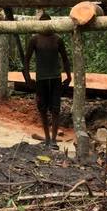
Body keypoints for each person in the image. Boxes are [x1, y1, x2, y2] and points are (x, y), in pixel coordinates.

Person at [23, 14, 71, 150]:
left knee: (55, 109)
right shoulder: (35, 40)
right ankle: (47, 139)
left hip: (55, 77)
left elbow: (65, 59)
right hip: (41, 79)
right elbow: (26, 60)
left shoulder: (57, 40)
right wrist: (27, 78)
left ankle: (54, 140)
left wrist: (68, 75)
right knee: (42, 109)